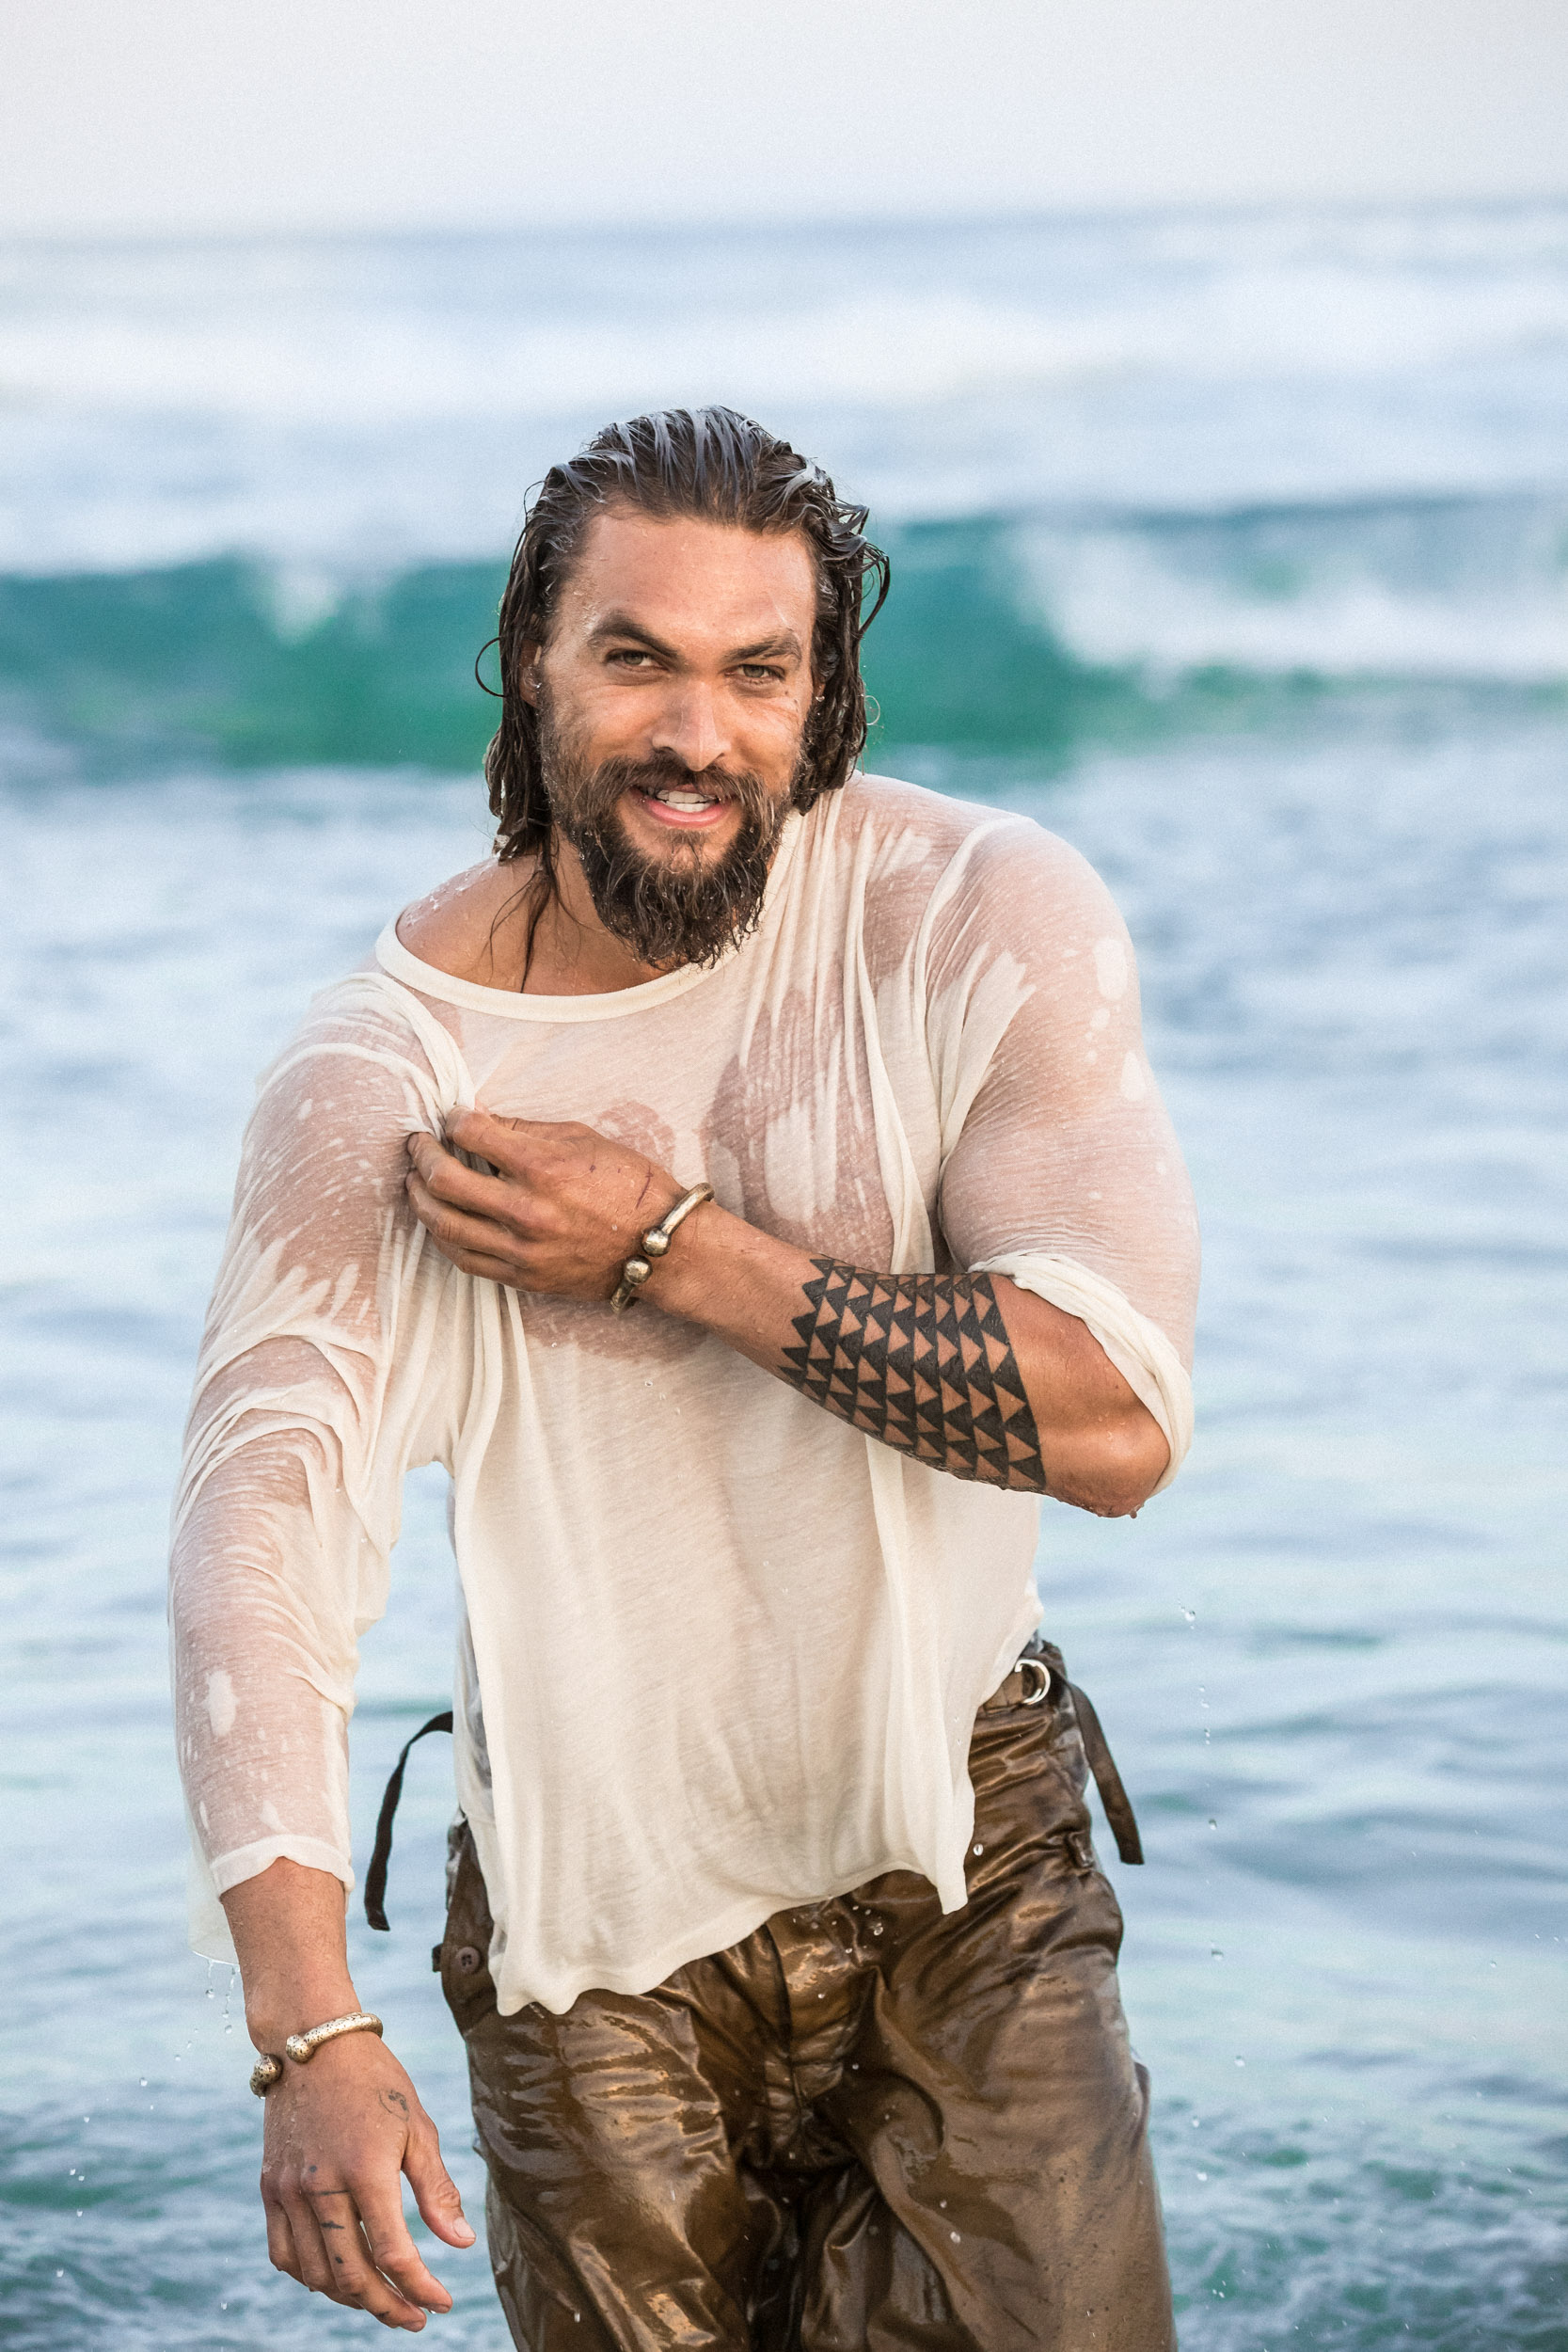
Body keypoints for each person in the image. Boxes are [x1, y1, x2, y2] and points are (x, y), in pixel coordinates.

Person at [170, 405, 1199, 2350]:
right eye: (636, 657)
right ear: (532, 663)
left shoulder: (965, 918)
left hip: (964, 1849)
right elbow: (260, 1543)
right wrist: (308, 2028)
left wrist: (674, 1249)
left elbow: (1116, 1423)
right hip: (589, 1922)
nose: (696, 733)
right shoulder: (391, 1070)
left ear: (826, 694)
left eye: (757, 671)